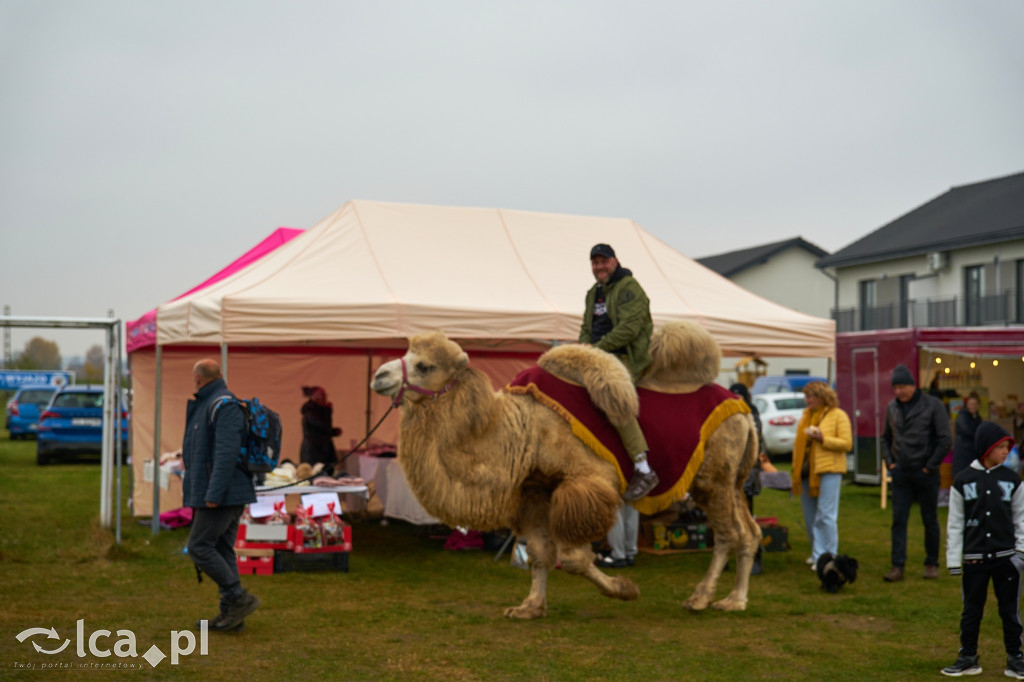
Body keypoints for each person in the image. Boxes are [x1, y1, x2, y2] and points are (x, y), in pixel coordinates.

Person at [183, 359, 260, 632]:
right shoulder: (213, 402)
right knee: (222, 549)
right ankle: (231, 615)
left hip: (221, 493)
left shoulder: (223, 404)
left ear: (197, 378)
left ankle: (238, 597)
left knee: (199, 546)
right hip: (221, 491)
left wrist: (213, 493)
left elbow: (226, 455)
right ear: (220, 375)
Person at [942, 422, 1024, 678]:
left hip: (1006, 560)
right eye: (1000, 447)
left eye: (1007, 447)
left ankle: (1016, 659)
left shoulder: (1012, 480)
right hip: (974, 561)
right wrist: (955, 560)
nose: (1005, 452)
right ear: (985, 449)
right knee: (971, 610)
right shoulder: (963, 480)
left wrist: (1019, 554)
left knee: (1009, 611)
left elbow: (1021, 518)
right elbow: (954, 523)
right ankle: (968, 657)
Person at [579, 243, 658, 501]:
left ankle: (642, 467)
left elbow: (629, 329)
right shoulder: (593, 293)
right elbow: (586, 329)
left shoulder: (629, 288)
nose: (599, 267)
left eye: (603, 261)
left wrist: (596, 349)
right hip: (598, 356)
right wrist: (581, 352)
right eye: (595, 263)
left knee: (612, 396)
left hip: (624, 357)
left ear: (615, 261)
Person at [882, 363, 952, 582]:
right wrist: (890, 463)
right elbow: (885, 438)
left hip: (926, 474)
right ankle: (897, 566)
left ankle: (932, 563)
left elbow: (945, 440)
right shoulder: (892, 407)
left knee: (929, 519)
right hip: (901, 472)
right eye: (895, 388)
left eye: (902, 387)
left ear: (912, 385)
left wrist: (929, 466)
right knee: (898, 520)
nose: (898, 392)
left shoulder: (933, 405)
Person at [790, 381, 852, 571]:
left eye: (810, 396)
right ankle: (817, 552)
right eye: (806, 397)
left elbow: (846, 444)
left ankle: (827, 556)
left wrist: (823, 439)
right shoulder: (806, 416)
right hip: (807, 471)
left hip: (829, 470)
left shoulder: (838, 415)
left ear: (821, 396)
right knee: (810, 516)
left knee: (825, 515)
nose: (806, 400)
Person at [731, 382, 765, 574]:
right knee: (729, 515)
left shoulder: (751, 414)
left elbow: (753, 438)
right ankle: (730, 554)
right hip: (730, 473)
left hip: (747, 472)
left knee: (747, 516)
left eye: (740, 396)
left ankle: (755, 557)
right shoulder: (725, 413)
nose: (737, 399)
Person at [300, 385, 342, 469]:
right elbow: (321, 426)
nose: (325, 397)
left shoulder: (317, 410)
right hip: (314, 451)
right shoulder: (310, 410)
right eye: (323, 395)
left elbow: (323, 428)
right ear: (316, 397)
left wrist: (333, 432)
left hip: (322, 449)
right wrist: (327, 411)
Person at [951, 392, 982, 478]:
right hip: (963, 453)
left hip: (971, 453)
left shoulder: (977, 417)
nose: (973, 406)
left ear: (978, 406)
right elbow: (967, 431)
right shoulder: (962, 416)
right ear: (967, 405)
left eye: (975, 404)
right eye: (970, 404)